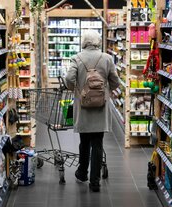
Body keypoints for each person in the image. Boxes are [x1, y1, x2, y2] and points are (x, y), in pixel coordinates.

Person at [65, 30, 120, 192]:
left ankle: (82, 172)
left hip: (83, 107)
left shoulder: (77, 58)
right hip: (101, 108)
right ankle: (95, 182)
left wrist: (75, 88)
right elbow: (115, 82)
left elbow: (69, 80)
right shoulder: (107, 58)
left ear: (84, 42)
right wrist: (106, 88)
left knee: (84, 142)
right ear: (98, 42)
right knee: (97, 143)